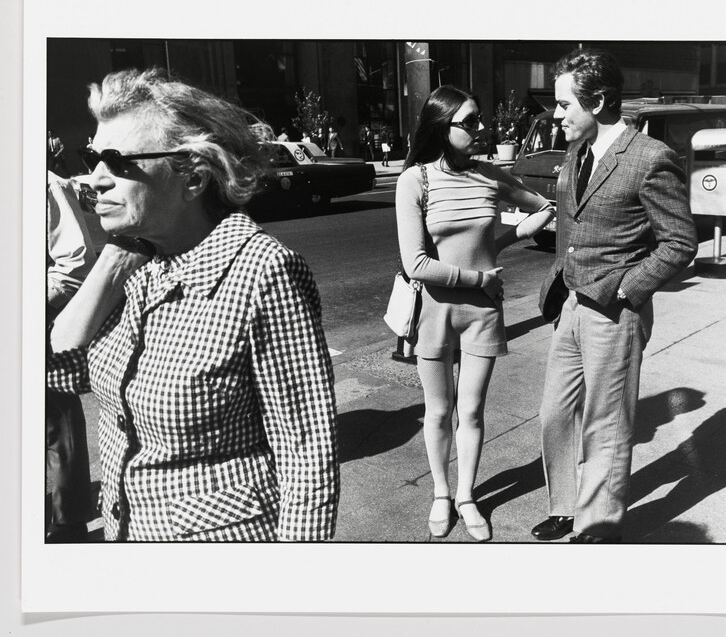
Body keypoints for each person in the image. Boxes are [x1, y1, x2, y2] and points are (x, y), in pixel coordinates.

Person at [47, 67, 340, 542]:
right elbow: (57, 370)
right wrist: (110, 264)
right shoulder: (139, 263)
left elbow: (306, 452)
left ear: (193, 177)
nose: (95, 179)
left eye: (118, 162)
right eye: (92, 157)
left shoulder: (263, 271)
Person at [532, 49, 697, 544]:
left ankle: (598, 521)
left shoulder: (648, 158)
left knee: (606, 423)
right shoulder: (576, 152)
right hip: (572, 304)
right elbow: (573, 222)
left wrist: (628, 289)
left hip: (615, 311)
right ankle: (565, 505)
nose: (557, 116)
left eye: (565, 106)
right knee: (554, 413)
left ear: (599, 100)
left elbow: (679, 242)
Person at [396, 85, 554, 541]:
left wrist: (496, 246)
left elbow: (543, 207)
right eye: (470, 122)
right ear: (442, 128)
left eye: (480, 119)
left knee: (473, 412)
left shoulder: (490, 175)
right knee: (439, 413)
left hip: (483, 312)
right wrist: (478, 277)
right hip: (436, 311)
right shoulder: (416, 180)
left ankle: (467, 496)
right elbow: (416, 264)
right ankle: (441, 494)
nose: (482, 128)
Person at [45, 171, 97, 542]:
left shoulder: (43, 184)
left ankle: (68, 522)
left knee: (56, 426)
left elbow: (75, 267)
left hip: (33, 324)